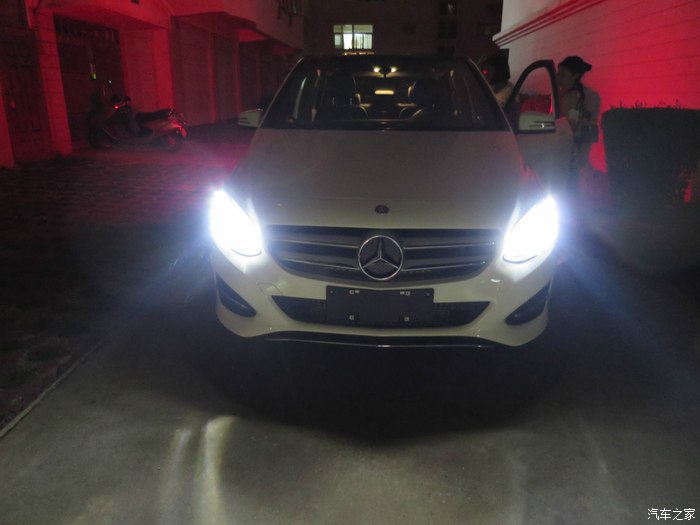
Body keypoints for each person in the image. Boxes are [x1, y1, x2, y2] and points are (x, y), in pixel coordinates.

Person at [556, 56, 600, 175]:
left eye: (562, 74)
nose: (557, 76)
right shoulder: (567, 95)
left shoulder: (574, 97)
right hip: (576, 153)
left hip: (571, 154)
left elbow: (570, 124)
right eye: (558, 72)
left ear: (574, 76)